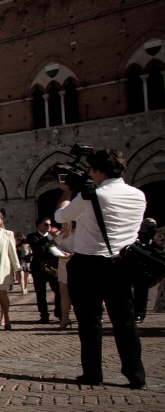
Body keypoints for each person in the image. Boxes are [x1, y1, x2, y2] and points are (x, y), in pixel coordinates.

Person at [55, 148, 147, 389]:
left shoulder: (90, 195)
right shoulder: (138, 195)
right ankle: (136, 376)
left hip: (89, 264)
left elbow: (60, 217)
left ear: (96, 170)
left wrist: (68, 191)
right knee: (125, 322)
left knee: (90, 321)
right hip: (122, 263)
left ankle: (93, 373)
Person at [27, 217, 62, 324]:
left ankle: (59, 313)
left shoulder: (55, 237)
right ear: (38, 225)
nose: (48, 227)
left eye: (50, 225)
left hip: (52, 267)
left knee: (59, 291)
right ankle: (44, 316)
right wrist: (50, 237)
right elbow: (37, 246)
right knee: (41, 293)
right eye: (46, 224)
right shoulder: (32, 236)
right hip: (39, 268)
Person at [132, 218, 158, 324]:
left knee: (140, 287)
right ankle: (137, 312)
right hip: (135, 255)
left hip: (143, 258)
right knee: (137, 287)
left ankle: (139, 313)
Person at [54, 220, 75, 329]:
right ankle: (65, 318)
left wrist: (71, 254)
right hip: (63, 263)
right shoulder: (62, 233)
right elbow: (55, 244)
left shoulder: (79, 232)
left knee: (77, 292)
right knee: (63, 291)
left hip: (75, 263)